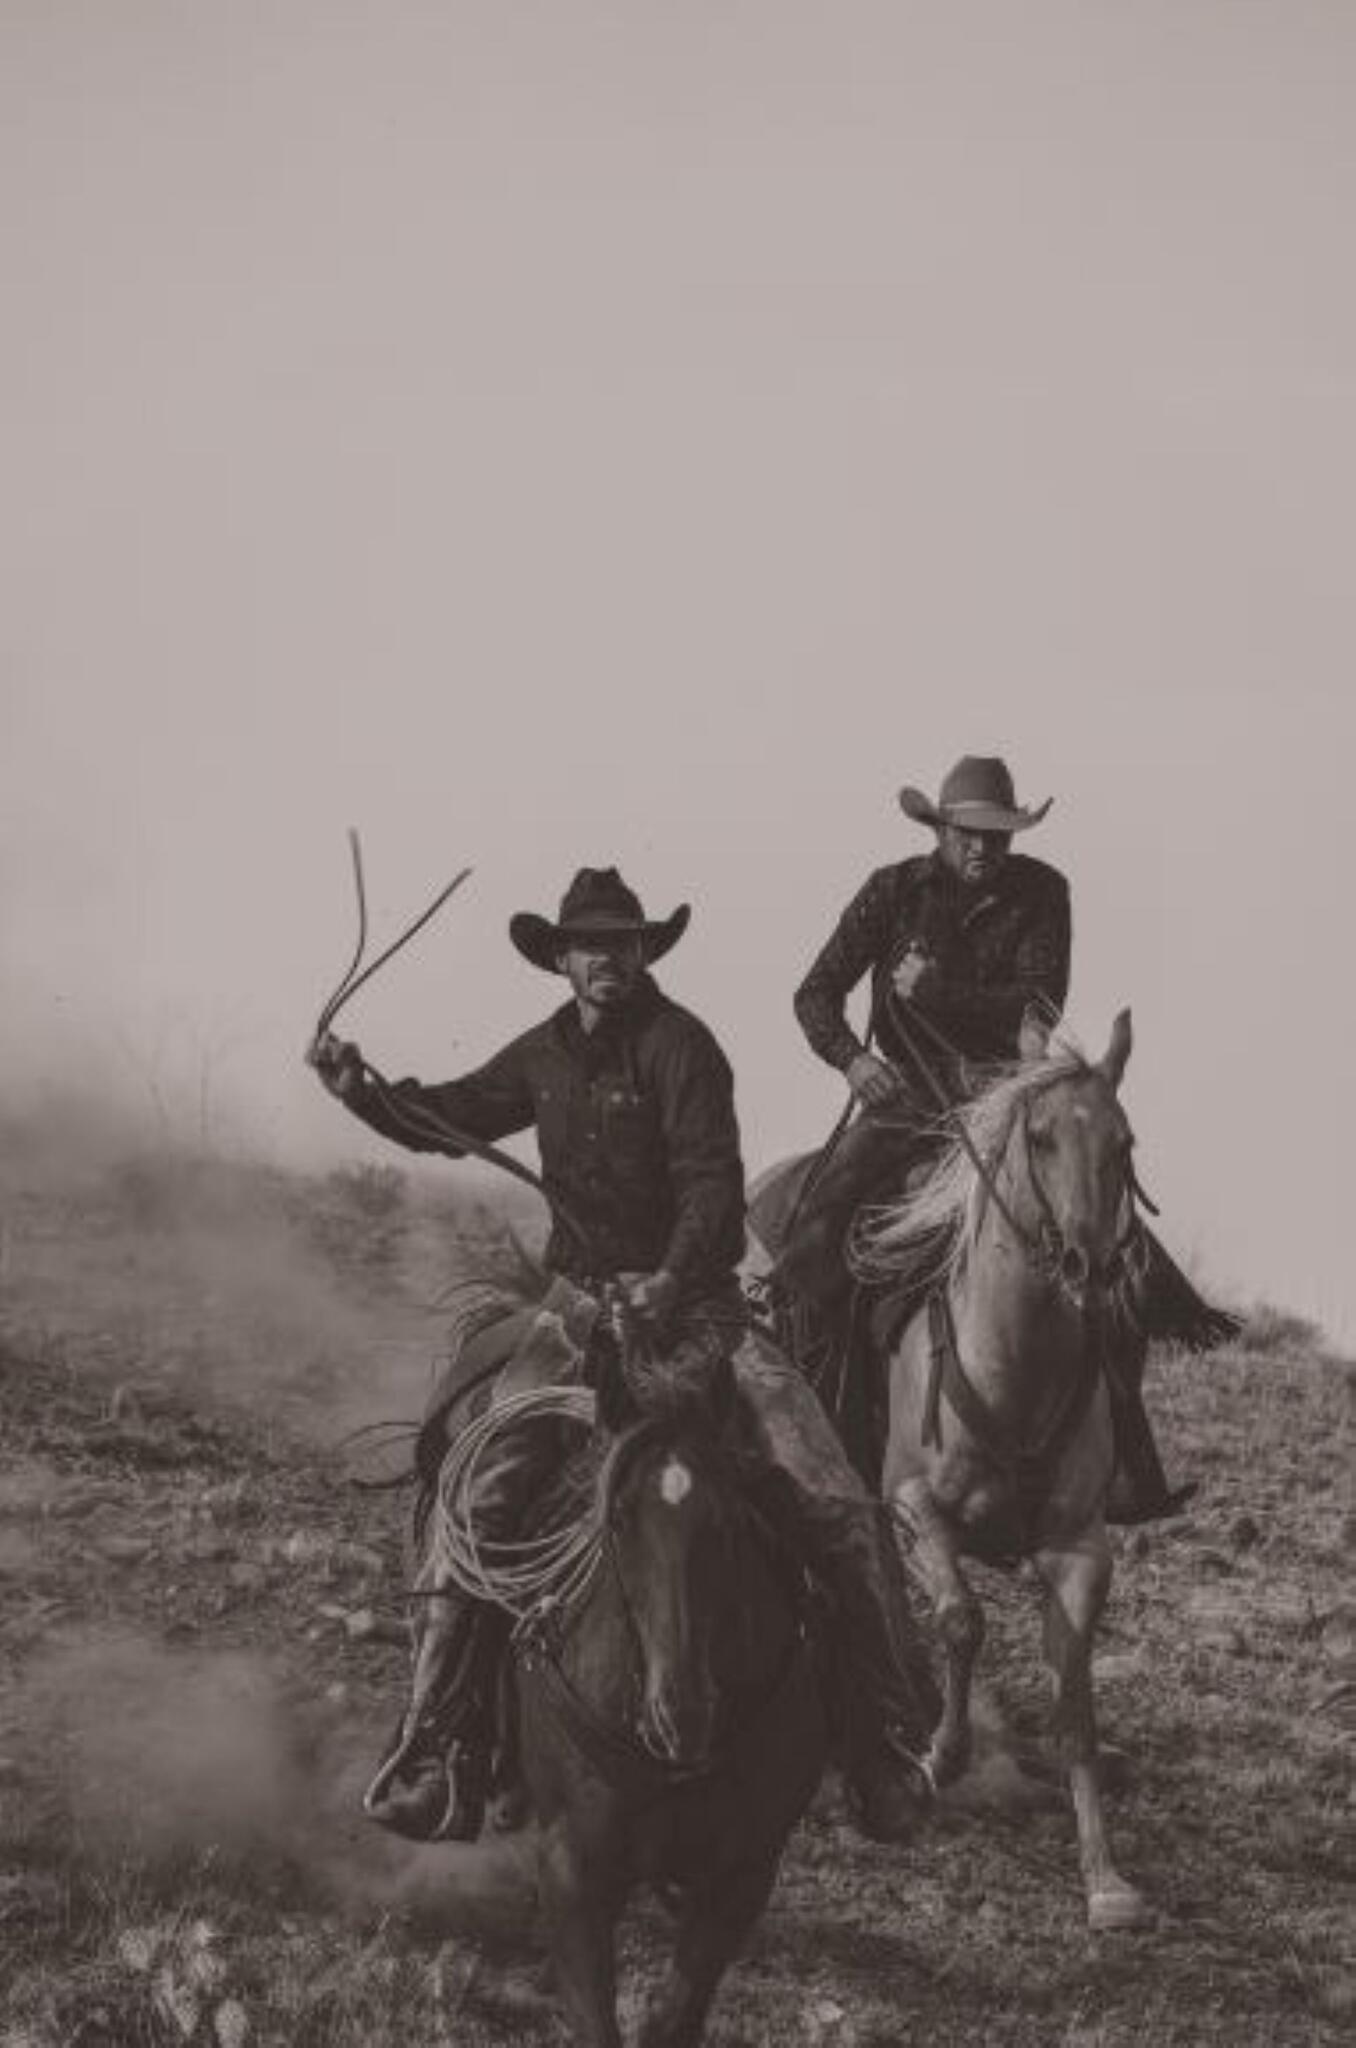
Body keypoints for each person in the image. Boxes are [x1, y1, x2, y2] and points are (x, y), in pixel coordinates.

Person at [310, 865, 937, 1844]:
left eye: (624, 940)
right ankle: (439, 1743)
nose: (608, 957)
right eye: (589, 943)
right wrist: (364, 1093)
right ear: (561, 959)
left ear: (645, 952)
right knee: (474, 1503)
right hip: (573, 1319)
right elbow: (454, 1114)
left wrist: (670, 1277)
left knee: (839, 1504)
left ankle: (882, 1744)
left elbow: (713, 1190)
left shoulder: (684, 1048)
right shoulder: (543, 1052)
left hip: (705, 1320)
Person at [778, 755, 1233, 1521]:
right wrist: (854, 1061)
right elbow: (815, 993)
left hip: (1006, 1099)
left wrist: (934, 990)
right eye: (969, 832)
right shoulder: (892, 891)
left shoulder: (1043, 893)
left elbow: (1035, 1005)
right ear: (941, 828)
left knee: (1117, 1258)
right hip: (905, 1094)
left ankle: (1128, 1460)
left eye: (998, 834)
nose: (983, 848)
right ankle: (812, 1442)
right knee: (808, 1254)